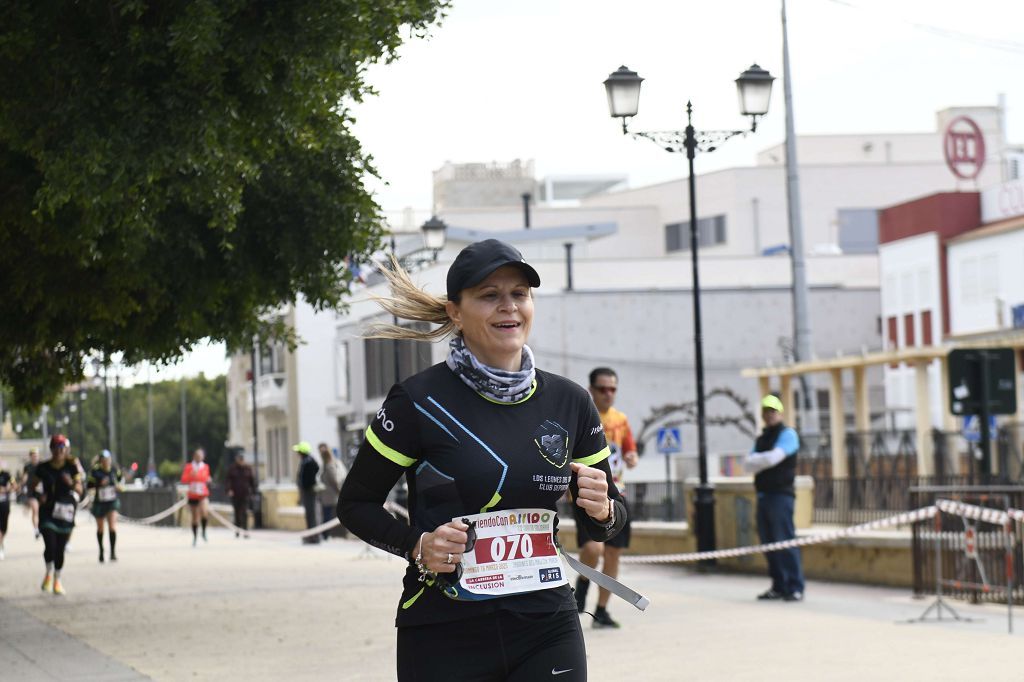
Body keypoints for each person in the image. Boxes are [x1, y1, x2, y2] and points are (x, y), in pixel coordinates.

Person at [338, 239, 626, 682]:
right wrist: (418, 546)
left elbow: (608, 521)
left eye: (519, 294)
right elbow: (355, 504)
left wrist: (604, 508)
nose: (508, 307)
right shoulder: (417, 401)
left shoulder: (570, 402)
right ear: (456, 311)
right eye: (489, 295)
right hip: (444, 631)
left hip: (547, 624)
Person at [573, 367, 639, 628]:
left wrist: (632, 458)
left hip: (617, 494)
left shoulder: (621, 420)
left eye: (613, 389)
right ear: (591, 390)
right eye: (603, 389)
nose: (608, 394)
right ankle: (583, 582)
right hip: (587, 497)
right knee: (593, 548)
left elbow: (629, 452)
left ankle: (601, 610)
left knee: (612, 555)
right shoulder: (581, 417)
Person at [745, 394, 805, 602]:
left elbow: (773, 458)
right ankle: (778, 585)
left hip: (781, 496)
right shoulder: (762, 438)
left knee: (785, 541)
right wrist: (762, 460)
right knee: (768, 543)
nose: (769, 415)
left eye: (773, 411)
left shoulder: (788, 434)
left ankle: (795, 586)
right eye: (766, 411)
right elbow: (747, 464)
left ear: (779, 412)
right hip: (763, 495)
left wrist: (758, 460)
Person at [31, 434, 83, 595]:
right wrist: (40, 496)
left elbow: (80, 489)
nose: (59, 452)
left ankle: (57, 579)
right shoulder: (43, 467)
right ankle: (48, 571)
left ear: (65, 450)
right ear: (52, 449)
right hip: (48, 510)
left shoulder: (71, 466)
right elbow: (33, 486)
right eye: (56, 448)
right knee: (50, 545)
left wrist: (72, 483)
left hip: (65, 511)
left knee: (60, 548)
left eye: (62, 448)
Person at [87, 451, 123, 562]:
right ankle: (101, 551)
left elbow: (120, 480)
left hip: (112, 501)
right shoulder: (95, 471)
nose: (106, 462)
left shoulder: (114, 470)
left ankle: (112, 552)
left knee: (112, 527)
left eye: (108, 460)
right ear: (101, 461)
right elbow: (89, 485)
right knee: (100, 528)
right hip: (100, 502)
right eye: (104, 460)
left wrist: (118, 487)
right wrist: (99, 484)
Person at [181, 447, 212, 546]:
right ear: (194, 456)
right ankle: (195, 537)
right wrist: (191, 475)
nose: (199, 457)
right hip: (193, 494)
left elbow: (206, 477)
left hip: (202, 494)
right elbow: (184, 479)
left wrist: (208, 479)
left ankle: (203, 531)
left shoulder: (205, 467)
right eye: (197, 455)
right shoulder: (189, 467)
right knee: (195, 517)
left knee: (204, 512)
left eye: (201, 455)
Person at [317, 443, 346, 540]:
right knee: (327, 515)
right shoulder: (325, 466)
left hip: (330, 496)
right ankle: (326, 535)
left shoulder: (329, 466)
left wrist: (339, 492)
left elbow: (334, 480)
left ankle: (327, 535)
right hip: (327, 496)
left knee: (328, 516)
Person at [294, 441, 321, 544]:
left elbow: (310, 475)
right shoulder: (305, 461)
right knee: (309, 514)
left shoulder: (309, 462)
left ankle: (314, 536)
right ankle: (311, 535)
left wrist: (306, 485)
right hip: (306, 491)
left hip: (309, 491)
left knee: (312, 514)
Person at [226, 451, 256, 538]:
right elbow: (228, 480)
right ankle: (237, 529)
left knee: (245, 512)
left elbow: (252, 481)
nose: (241, 461)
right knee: (237, 512)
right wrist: (229, 490)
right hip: (235, 494)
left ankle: (245, 530)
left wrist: (253, 492)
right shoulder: (232, 469)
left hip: (245, 494)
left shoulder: (248, 468)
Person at [20, 447, 41, 539]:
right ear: (30, 456)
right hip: (31, 491)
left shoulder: (42, 465)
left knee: (41, 510)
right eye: (33, 455)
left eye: (36, 455)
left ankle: (41, 526)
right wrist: (23, 484)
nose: (34, 457)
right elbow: (24, 477)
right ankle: (36, 529)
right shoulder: (27, 466)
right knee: (35, 509)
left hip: (41, 491)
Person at [0, 463, 13, 560]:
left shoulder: (6, 475)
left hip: (4, 504)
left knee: (4, 528)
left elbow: (15, 485)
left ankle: (1, 542)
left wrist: (7, 488)